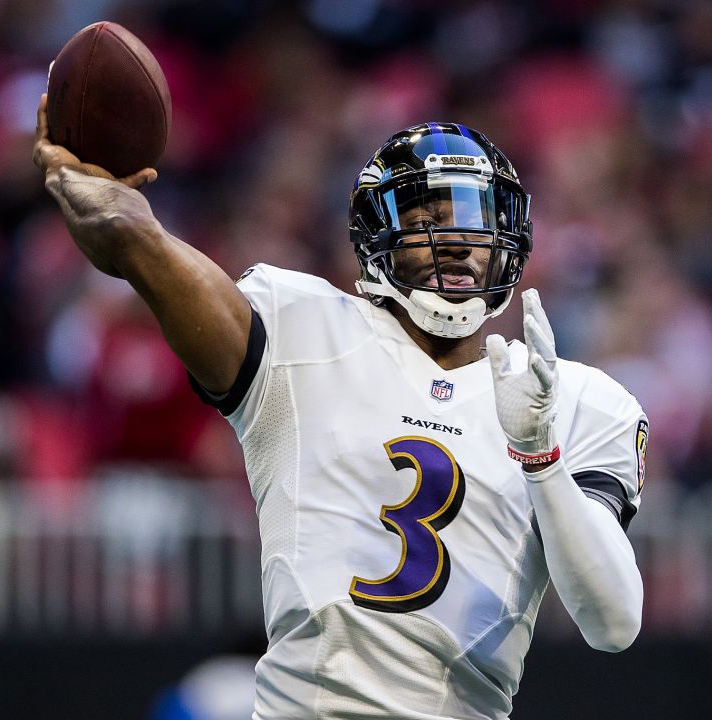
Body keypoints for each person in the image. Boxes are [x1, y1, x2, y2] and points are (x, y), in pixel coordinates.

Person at [34, 97, 648, 719]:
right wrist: (109, 205)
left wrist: (540, 456)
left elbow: (613, 622)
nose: (459, 242)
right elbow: (143, 248)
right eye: (429, 216)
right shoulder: (301, 325)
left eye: (476, 222)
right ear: (375, 235)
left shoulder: (574, 399)